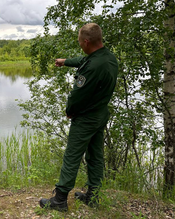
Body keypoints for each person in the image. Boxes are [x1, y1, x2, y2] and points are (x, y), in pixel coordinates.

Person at [39, 23, 118, 211]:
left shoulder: (92, 67)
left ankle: (59, 200)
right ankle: (93, 195)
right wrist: (66, 61)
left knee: (72, 156)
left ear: (86, 41)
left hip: (86, 118)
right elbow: (84, 60)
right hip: (100, 115)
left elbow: (77, 96)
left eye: (80, 42)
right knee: (96, 155)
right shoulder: (108, 58)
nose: (79, 45)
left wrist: (70, 110)